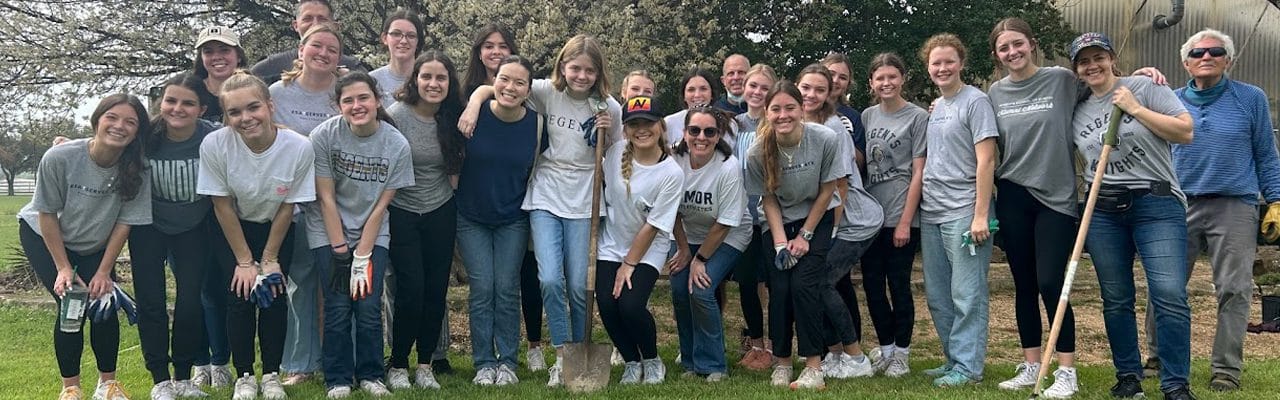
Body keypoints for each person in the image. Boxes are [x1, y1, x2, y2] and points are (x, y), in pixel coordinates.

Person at [459, 34, 622, 387]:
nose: (581, 76)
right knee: (549, 278)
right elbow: (501, 87)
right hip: (546, 194)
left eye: (589, 70)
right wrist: (473, 103)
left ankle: (580, 353)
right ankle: (562, 357)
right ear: (563, 66)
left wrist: (607, 135)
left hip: (585, 198)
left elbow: (617, 153)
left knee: (579, 285)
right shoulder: (547, 91)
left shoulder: (608, 107)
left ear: (599, 73)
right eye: (575, 68)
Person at [1067, 32, 1195, 400]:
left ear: (1111, 59)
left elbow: (1185, 131)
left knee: (1169, 293)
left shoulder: (1144, 86)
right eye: (1084, 61)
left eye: (1099, 57)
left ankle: (1175, 383)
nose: (1092, 65)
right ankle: (1128, 376)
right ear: (1076, 69)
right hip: (1103, 209)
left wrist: (1135, 108)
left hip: (1156, 203)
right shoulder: (1076, 106)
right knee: (1116, 297)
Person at [1163, 28, 1280, 393]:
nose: (1206, 57)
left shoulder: (1251, 98)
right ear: (1185, 63)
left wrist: (1276, 200)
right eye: (1198, 53)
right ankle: (1158, 360)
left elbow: (1266, 153)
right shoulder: (1170, 101)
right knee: (1166, 287)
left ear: (1228, 59)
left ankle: (1226, 370)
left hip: (1235, 204)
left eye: (1215, 51)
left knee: (1234, 288)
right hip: (1177, 203)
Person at [21, 94, 151, 400]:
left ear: (137, 131)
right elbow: (46, 213)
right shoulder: (61, 157)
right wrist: (63, 268)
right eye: (112, 117)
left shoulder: (139, 168)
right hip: (45, 236)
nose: (119, 126)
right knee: (73, 305)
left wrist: (104, 272)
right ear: (97, 121)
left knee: (104, 302)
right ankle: (71, 388)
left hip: (95, 242)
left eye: (130, 122)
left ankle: (108, 386)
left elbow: (125, 223)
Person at [197, 72, 316, 400]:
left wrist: (270, 258)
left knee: (274, 296)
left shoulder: (299, 147)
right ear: (226, 116)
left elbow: (287, 206)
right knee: (240, 297)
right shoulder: (215, 144)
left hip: (277, 227)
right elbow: (221, 205)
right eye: (234, 112)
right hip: (232, 227)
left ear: (270, 106)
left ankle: (272, 375)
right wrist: (245, 262)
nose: (246, 118)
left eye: (253, 107)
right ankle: (245, 376)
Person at [984, 17, 1082, 397]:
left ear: (1032, 43)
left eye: (1017, 44)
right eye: (1004, 48)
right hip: (1013, 194)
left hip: (1056, 197)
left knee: (1051, 282)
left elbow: (1104, 85)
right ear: (997, 54)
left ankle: (1066, 371)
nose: (1012, 52)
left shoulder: (1061, 80)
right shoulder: (994, 93)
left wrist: (1143, 77)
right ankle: (1030, 365)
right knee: (1023, 284)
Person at [307, 72, 411, 398]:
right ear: (338, 105)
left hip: (372, 230)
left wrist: (362, 255)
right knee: (338, 306)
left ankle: (371, 374)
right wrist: (340, 251)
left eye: (363, 98)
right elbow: (325, 197)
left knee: (367, 305)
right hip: (328, 230)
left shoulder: (396, 144)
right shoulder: (324, 136)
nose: (357, 105)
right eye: (348, 100)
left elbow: (383, 204)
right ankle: (338, 378)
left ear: (377, 100)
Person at [748, 82, 847, 390]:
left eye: (790, 107)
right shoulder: (757, 151)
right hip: (778, 221)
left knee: (804, 286)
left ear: (802, 109)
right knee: (780, 289)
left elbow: (828, 189)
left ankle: (814, 367)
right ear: (766, 113)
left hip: (816, 217)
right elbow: (768, 200)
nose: (783, 115)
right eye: (776, 109)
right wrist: (781, 244)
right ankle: (782, 361)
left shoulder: (825, 138)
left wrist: (805, 235)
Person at [459, 24, 545, 373]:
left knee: (507, 288)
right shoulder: (473, 116)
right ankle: (484, 362)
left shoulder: (537, 125)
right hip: (471, 217)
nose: (510, 87)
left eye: (519, 83)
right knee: (482, 288)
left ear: (529, 90)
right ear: (494, 80)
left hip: (513, 218)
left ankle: (507, 361)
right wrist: (475, 101)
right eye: (504, 79)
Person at [129, 73, 219, 400]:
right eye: (171, 100)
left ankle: (183, 376)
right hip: (148, 226)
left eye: (188, 103)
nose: (177, 108)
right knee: (151, 302)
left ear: (201, 109)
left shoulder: (213, 137)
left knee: (190, 301)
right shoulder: (144, 135)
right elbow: (105, 142)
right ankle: (160, 380)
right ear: (161, 103)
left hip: (194, 227)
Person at [917, 33, 999, 388]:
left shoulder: (975, 101)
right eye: (936, 63)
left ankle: (968, 368)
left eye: (949, 61)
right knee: (939, 295)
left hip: (965, 210)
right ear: (928, 68)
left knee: (967, 294)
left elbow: (987, 160)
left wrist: (980, 215)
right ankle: (953, 358)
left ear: (961, 63)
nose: (942, 68)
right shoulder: (937, 106)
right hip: (932, 210)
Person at [384, 51, 465, 390]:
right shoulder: (395, 116)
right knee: (410, 289)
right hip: (402, 211)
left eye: (441, 78)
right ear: (415, 80)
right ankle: (398, 363)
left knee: (435, 290)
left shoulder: (453, 117)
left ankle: (425, 364)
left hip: (440, 211)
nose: (433, 84)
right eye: (427, 76)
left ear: (449, 83)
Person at [268, 21, 342, 386]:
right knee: (300, 282)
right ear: (301, 50)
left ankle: (338, 358)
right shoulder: (277, 94)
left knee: (337, 284)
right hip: (293, 204)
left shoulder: (343, 93)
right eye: (317, 46)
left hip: (337, 204)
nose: (323, 53)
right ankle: (300, 363)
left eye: (332, 49)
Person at [597, 95, 683, 385]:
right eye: (634, 124)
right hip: (611, 243)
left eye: (648, 122)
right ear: (625, 129)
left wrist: (629, 264)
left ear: (661, 126)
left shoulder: (671, 173)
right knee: (607, 304)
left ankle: (652, 359)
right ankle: (631, 361)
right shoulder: (614, 153)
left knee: (630, 305)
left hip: (648, 248)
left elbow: (654, 225)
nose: (641, 129)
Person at [667, 105, 750, 382]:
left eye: (709, 132)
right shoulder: (673, 161)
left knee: (701, 288)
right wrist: (683, 250)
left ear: (718, 136)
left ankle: (714, 364)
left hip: (729, 234)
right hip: (687, 234)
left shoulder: (728, 167)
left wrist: (699, 260)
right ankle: (690, 360)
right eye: (694, 130)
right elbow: (672, 211)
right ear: (684, 133)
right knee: (680, 289)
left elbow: (725, 223)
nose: (701, 137)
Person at [859, 52, 927, 379]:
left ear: (902, 78)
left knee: (899, 285)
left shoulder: (917, 117)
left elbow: (919, 172)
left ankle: (902, 353)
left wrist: (905, 222)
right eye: (880, 78)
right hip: (871, 217)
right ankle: (885, 349)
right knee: (872, 285)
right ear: (871, 83)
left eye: (892, 77)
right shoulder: (867, 116)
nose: (886, 83)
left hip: (901, 215)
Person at [732, 64, 777, 371]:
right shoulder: (733, 124)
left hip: (771, 217)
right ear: (744, 88)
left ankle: (775, 345)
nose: (758, 92)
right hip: (742, 218)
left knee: (775, 285)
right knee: (747, 283)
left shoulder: (776, 123)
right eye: (753, 86)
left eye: (764, 88)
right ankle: (756, 344)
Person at [250, 0, 363, 85]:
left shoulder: (353, 67)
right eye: (307, 19)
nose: (315, 24)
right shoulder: (271, 67)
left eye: (322, 19)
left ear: (335, 26)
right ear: (295, 25)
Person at [821, 52, 867, 168]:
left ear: (848, 84)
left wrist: (843, 135)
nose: (835, 80)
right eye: (831, 74)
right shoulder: (803, 110)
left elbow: (860, 163)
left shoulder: (854, 117)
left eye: (842, 78)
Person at [192, 25, 247, 123]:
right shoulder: (191, 93)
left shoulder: (255, 90)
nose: (216, 57)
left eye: (224, 50)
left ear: (239, 56)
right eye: (208, 52)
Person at [369, 10, 424, 104]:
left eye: (411, 36)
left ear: (418, 41)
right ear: (384, 38)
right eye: (396, 34)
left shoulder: (429, 80)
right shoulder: (371, 81)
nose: (403, 41)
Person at [665, 67, 725, 146]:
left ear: (712, 94)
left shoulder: (728, 124)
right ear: (684, 95)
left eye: (703, 89)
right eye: (691, 90)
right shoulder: (669, 123)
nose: (697, 95)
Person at [462, 23, 518, 97]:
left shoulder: (526, 89)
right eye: (489, 47)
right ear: (479, 53)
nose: (496, 52)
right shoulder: (464, 93)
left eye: (503, 47)